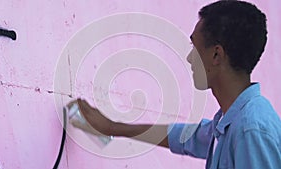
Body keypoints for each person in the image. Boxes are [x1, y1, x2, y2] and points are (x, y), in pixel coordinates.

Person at [67, 0, 281, 168]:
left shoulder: (251, 129)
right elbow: (185, 137)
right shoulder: (230, 121)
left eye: (194, 47)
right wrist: (111, 127)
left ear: (216, 55)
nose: (189, 58)